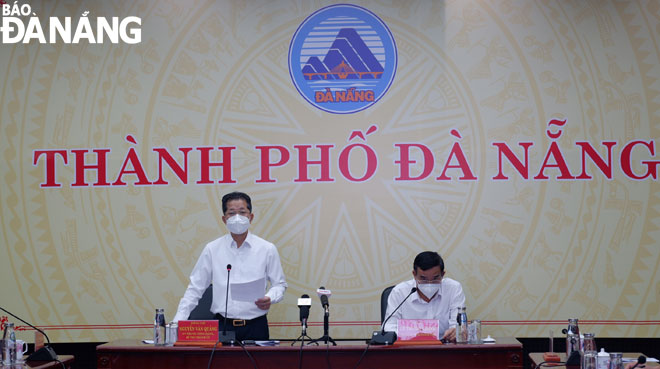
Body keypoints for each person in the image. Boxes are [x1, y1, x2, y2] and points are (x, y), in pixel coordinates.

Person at [172, 191, 287, 341]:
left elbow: (280, 284)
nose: (237, 218)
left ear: (251, 217)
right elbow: (195, 288)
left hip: (256, 326)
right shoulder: (212, 249)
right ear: (224, 219)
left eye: (242, 212)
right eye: (231, 213)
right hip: (223, 326)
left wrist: (270, 297)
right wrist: (177, 322)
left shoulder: (267, 248)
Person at [383, 251, 465, 342]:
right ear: (414, 275)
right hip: (408, 347)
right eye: (423, 279)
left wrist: (455, 332)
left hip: (444, 347)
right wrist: (415, 335)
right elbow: (389, 327)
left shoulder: (453, 289)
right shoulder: (399, 292)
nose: (429, 284)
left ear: (443, 275)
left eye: (435, 278)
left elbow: (457, 325)